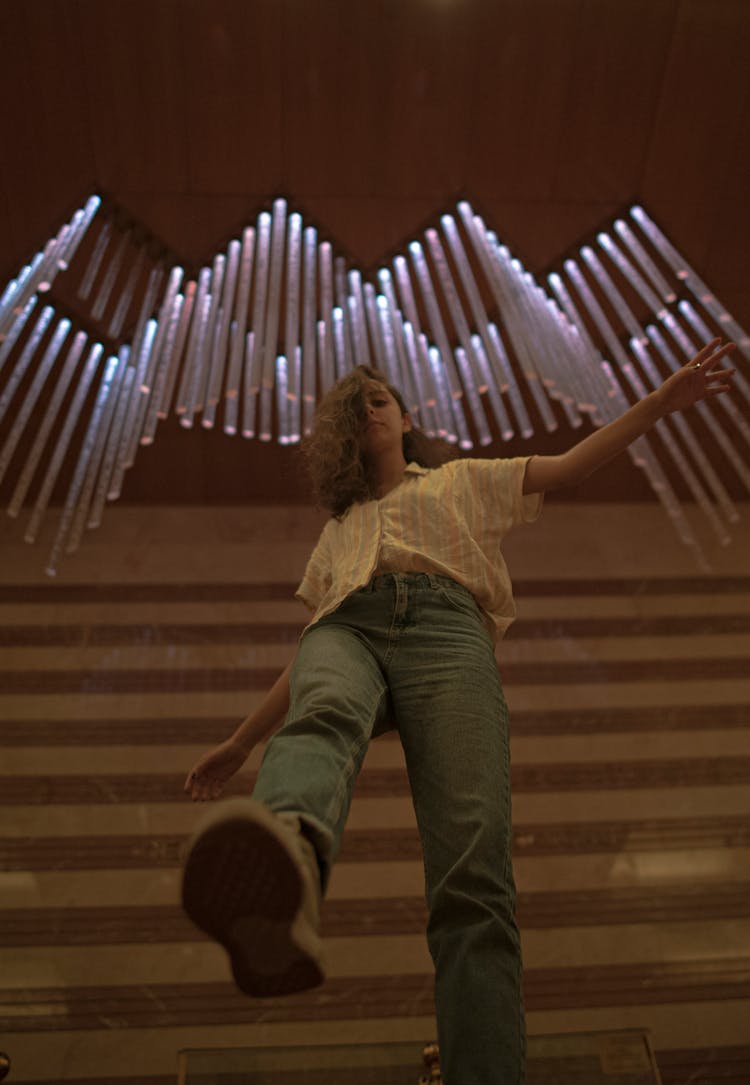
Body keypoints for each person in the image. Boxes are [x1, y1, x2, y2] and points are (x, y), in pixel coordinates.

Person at [182, 337, 736, 1084]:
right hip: (344, 628)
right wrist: (241, 741)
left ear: (406, 417)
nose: (370, 409)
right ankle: (288, 886)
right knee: (325, 713)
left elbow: (572, 464)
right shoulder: (337, 531)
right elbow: (308, 662)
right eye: (356, 406)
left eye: (379, 398)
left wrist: (659, 404)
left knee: (472, 865)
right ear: (342, 434)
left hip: (448, 631)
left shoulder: (463, 480)